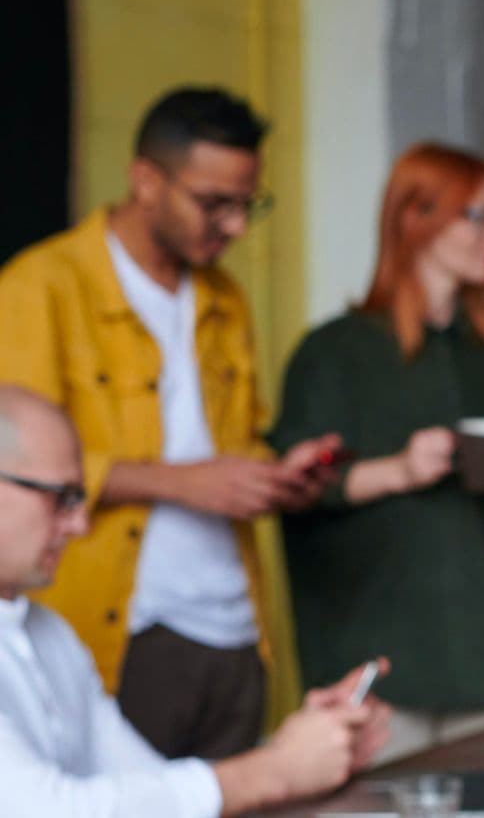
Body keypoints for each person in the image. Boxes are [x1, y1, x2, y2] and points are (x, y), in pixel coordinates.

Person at [0, 87, 342, 761]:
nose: (237, 226)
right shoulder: (40, 287)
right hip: (125, 632)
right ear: (146, 181)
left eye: (248, 204)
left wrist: (275, 478)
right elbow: (18, 469)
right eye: (216, 203)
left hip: (237, 630)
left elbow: (231, 443)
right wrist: (183, 484)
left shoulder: (225, 299)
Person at [271, 143, 484, 763]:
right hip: (388, 667)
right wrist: (400, 469)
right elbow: (294, 485)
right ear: (413, 218)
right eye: (476, 216)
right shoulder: (335, 351)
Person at [0, 384, 390, 817]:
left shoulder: (51, 636)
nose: (80, 524)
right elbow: (48, 811)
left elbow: (142, 785)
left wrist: (304, 754)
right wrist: (275, 771)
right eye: (61, 498)